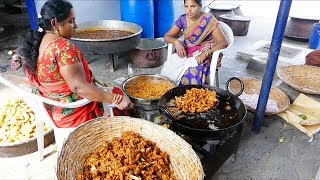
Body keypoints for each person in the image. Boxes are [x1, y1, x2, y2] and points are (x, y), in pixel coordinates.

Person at [17, 0, 132, 128]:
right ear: (54, 23)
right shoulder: (65, 49)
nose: (76, 25)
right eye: (71, 21)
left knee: (112, 91)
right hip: (73, 114)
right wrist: (117, 99)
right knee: (118, 95)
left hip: (52, 108)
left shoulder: (39, 41)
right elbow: (79, 87)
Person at [160, 0, 228, 86]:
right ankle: (171, 91)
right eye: (186, 6)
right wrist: (176, 42)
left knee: (192, 72)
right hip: (188, 49)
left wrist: (205, 54)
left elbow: (223, 42)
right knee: (170, 66)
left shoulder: (208, 20)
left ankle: (190, 96)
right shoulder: (182, 19)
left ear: (200, 6)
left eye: (193, 6)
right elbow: (167, 36)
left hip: (207, 52)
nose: (189, 10)